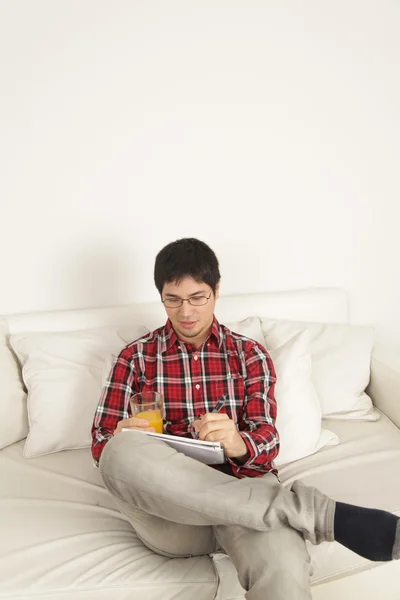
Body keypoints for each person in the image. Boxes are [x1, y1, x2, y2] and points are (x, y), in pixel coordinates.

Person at [91, 238, 399, 600]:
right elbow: (100, 444)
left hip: (245, 495)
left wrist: (238, 443)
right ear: (161, 296)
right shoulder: (135, 357)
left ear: (216, 291)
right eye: (173, 299)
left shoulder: (249, 354)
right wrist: (122, 436)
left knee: (284, 570)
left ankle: (290, 511)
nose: (185, 312)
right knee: (119, 451)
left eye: (197, 297)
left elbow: (267, 441)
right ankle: (315, 513)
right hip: (172, 514)